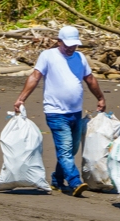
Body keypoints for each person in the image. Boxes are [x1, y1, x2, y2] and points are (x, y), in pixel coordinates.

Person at [13, 26, 106, 197]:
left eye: (74, 45)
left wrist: (100, 98)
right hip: (55, 112)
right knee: (65, 149)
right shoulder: (48, 56)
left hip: (75, 112)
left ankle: (57, 179)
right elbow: (35, 76)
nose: (71, 48)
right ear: (59, 41)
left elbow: (90, 79)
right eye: (68, 45)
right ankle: (75, 181)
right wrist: (21, 98)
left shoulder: (80, 57)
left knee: (71, 150)